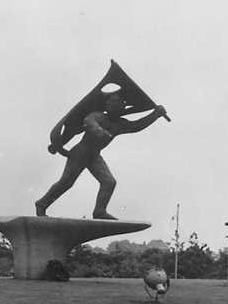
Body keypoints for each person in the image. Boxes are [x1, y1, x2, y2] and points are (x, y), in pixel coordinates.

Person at [35, 87, 167, 219]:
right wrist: (99, 131)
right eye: (111, 103)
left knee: (109, 182)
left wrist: (155, 115)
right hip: (80, 153)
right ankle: (41, 204)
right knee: (66, 183)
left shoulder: (120, 124)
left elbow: (137, 126)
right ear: (107, 106)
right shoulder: (98, 115)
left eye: (118, 104)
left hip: (94, 156)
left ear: (122, 108)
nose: (114, 106)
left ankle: (99, 211)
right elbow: (89, 122)